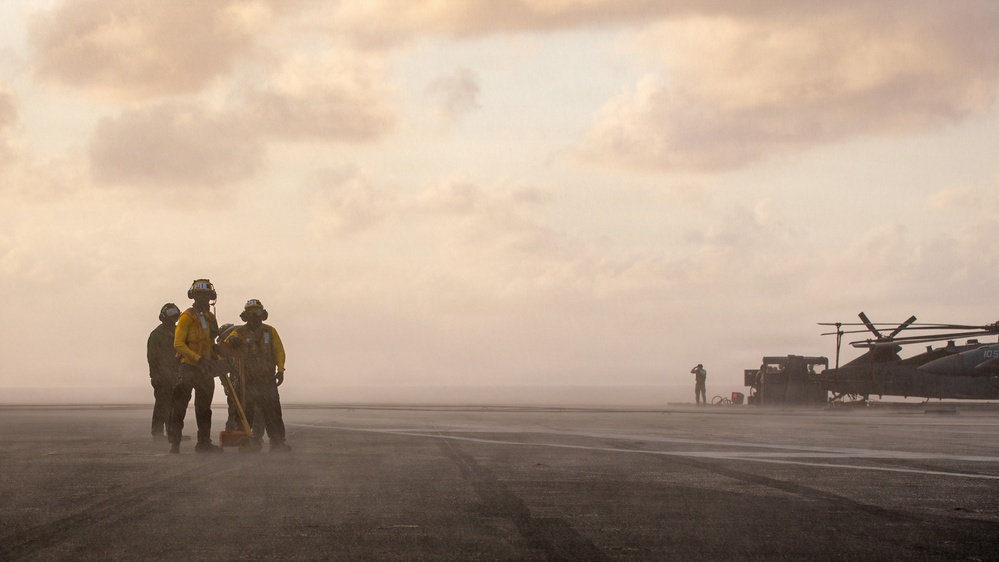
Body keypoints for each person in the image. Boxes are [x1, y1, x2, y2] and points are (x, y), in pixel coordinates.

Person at [225, 299, 290, 452]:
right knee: (245, 413)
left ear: (263, 313)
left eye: (257, 311)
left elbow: (279, 351)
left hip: (267, 379)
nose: (254, 315)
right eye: (250, 312)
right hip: (247, 380)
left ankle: (277, 442)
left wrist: (280, 370)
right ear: (244, 315)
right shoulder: (238, 332)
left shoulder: (270, 331)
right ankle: (244, 443)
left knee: (273, 412)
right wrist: (232, 340)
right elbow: (226, 345)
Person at [167, 279, 224, 454]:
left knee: (204, 408)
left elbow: (212, 340)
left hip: (205, 369)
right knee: (179, 406)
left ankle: (204, 443)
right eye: (201, 297)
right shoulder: (186, 317)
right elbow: (178, 344)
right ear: (194, 297)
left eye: (207, 297)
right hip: (189, 367)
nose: (205, 300)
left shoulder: (209, 317)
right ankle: (174, 443)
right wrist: (197, 358)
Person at [147, 303, 181, 441]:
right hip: (162, 374)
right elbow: (152, 357)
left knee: (175, 404)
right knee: (162, 403)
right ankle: (157, 433)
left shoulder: (178, 331)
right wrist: (155, 375)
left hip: (176, 373)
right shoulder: (157, 335)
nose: (174, 317)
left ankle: (172, 433)